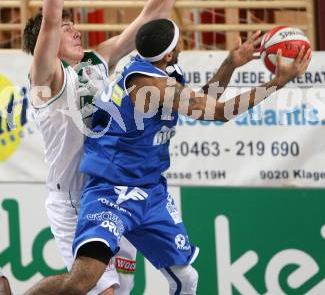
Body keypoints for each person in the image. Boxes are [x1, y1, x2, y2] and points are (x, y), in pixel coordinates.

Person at [23, 15, 311, 295]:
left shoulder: (162, 72)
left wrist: (230, 63)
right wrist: (278, 83)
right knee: (83, 280)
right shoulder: (149, 85)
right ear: (170, 54)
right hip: (111, 190)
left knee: (186, 278)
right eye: (178, 43)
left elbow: (205, 101)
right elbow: (219, 112)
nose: (181, 47)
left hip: (148, 190)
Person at [22, 0, 226, 295]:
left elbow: (148, 18)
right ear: (44, 49)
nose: (74, 30)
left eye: (73, 25)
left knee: (124, 286)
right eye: (67, 30)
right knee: (94, 288)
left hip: (112, 188)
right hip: (71, 198)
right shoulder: (45, 80)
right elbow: (49, 21)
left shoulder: (98, 60)